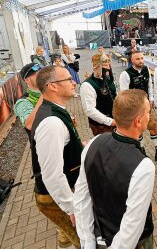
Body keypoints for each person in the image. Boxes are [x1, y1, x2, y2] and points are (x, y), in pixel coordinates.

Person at [74, 89, 155, 249]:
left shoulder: (94, 143)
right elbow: (132, 227)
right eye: (148, 112)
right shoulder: (143, 166)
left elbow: (81, 198)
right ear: (138, 121)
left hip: (99, 236)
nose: (149, 115)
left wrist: (88, 243)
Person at [31, 66, 81, 248]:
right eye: (68, 79)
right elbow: (52, 174)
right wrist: (72, 207)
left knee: (66, 235)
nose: (74, 81)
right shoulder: (51, 122)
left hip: (61, 191)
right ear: (53, 86)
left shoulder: (55, 110)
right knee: (85, 239)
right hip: (54, 197)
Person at [119, 50, 157, 163]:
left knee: (153, 127)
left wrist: (151, 99)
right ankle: (141, 153)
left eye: (142, 58)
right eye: (138, 59)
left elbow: (150, 86)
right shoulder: (126, 74)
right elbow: (124, 95)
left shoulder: (146, 69)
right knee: (139, 132)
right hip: (135, 110)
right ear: (132, 60)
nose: (141, 61)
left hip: (147, 107)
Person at [80, 54, 117, 136]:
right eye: (104, 65)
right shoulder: (87, 85)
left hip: (115, 121)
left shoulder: (108, 79)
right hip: (101, 126)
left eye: (108, 64)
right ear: (95, 66)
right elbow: (89, 110)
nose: (107, 68)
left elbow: (114, 95)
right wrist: (110, 122)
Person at [14, 63, 44, 136]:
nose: (44, 76)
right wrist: (45, 94)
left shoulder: (48, 94)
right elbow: (30, 125)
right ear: (27, 80)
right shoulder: (23, 102)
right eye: (39, 74)